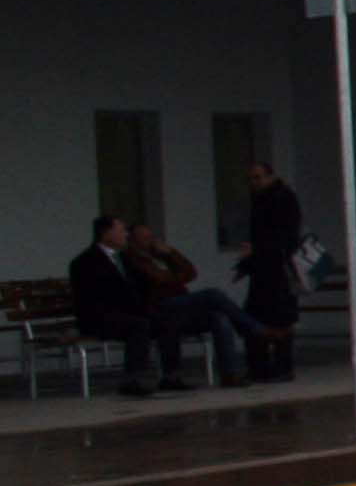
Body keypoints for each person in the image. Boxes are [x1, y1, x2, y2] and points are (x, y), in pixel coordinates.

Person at [126, 223, 255, 387]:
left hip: (179, 305)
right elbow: (159, 279)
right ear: (134, 242)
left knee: (219, 318)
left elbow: (190, 272)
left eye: (153, 237)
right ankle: (251, 328)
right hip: (159, 306)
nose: (152, 241)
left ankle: (229, 373)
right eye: (146, 238)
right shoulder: (133, 259)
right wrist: (176, 277)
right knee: (212, 295)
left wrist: (170, 253)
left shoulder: (160, 256)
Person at [68, 217, 182, 396]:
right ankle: (132, 380)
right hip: (99, 318)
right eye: (121, 230)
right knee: (139, 325)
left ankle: (171, 376)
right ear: (107, 234)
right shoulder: (85, 262)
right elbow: (93, 297)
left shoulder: (124, 259)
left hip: (126, 314)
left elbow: (140, 285)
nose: (126, 235)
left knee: (165, 320)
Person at [239, 161, 304, 381]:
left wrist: (257, 251)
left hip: (277, 267)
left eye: (258, 178)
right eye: (251, 178)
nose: (254, 183)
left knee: (278, 318)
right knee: (260, 316)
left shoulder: (281, 199)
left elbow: (285, 235)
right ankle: (263, 366)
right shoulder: (263, 199)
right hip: (264, 267)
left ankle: (279, 367)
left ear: (270, 177)